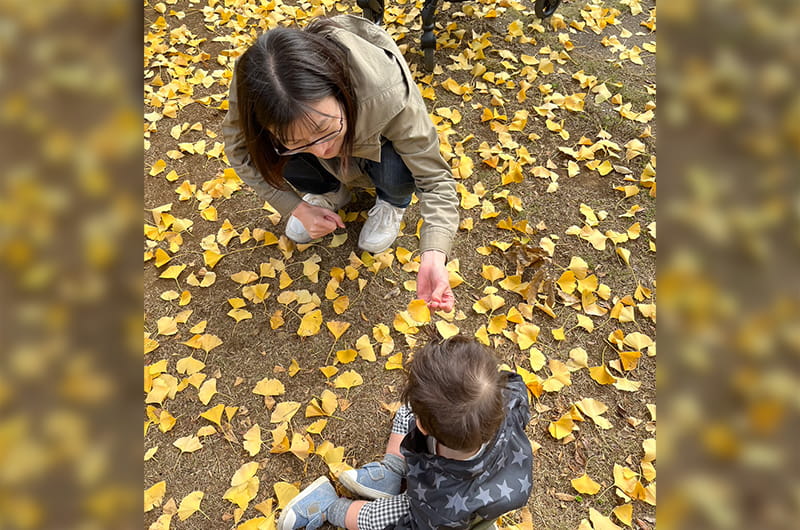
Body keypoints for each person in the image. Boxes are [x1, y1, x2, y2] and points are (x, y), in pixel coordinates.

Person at [223, 14, 459, 311]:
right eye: (297, 141)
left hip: (377, 146)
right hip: (342, 137)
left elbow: (435, 180)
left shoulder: (386, 91)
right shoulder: (252, 89)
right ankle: (328, 192)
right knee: (284, 156)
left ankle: (392, 202)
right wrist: (295, 207)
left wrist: (434, 255)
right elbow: (240, 153)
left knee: (399, 165)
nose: (322, 151)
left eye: (325, 130)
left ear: (339, 89)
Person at [277, 334, 534, 530]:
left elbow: (415, 523)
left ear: (422, 426)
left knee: (383, 516)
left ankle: (330, 507)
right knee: (414, 411)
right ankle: (392, 472)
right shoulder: (509, 397)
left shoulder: (440, 505)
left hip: (432, 501)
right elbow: (514, 385)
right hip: (467, 473)